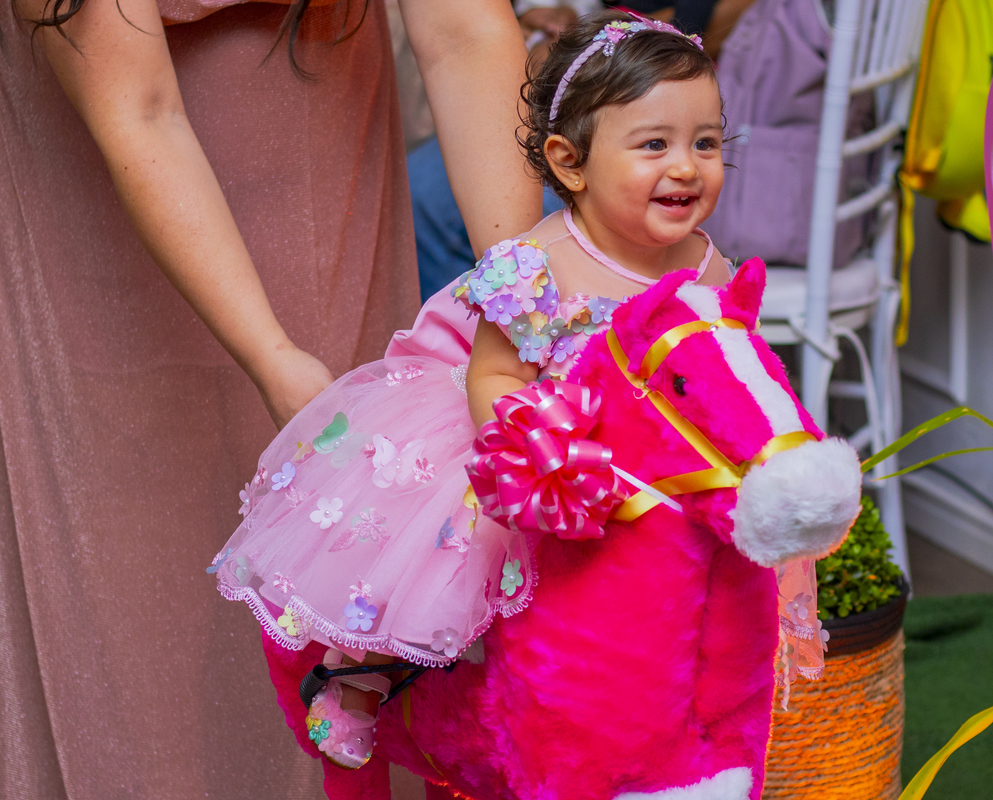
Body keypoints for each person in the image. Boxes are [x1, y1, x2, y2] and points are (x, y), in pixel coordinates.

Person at [213, 12, 813, 787]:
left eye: (705, 143)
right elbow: (491, 376)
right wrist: (537, 448)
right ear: (570, 162)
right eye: (654, 145)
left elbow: (722, 373)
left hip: (649, 478)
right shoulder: (539, 263)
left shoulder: (706, 264)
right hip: (539, 461)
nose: (687, 167)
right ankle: (370, 671)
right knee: (450, 565)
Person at [0, 0, 539, 798]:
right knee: (141, 601)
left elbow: (464, 33)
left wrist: (517, 310)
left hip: (325, 177)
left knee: (360, 577)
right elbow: (140, 112)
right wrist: (272, 357)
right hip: (107, 215)